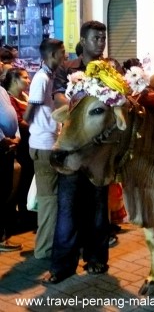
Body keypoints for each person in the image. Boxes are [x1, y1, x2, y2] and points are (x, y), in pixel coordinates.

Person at [47, 21, 111, 283]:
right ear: (82, 41)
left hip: (100, 151)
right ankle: (62, 266)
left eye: (103, 38)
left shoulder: (111, 69)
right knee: (67, 208)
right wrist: (81, 100)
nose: (101, 42)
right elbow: (58, 97)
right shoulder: (68, 68)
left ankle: (96, 258)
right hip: (73, 147)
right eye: (96, 37)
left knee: (98, 207)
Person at [24, 39, 66, 260]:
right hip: (43, 146)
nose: (65, 56)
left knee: (52, 199)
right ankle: (44, 251)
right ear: (52, 54)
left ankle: (48, 247)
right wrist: (38, 125)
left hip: (48, 143)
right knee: (49, 200)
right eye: (62, 52)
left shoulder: (49, 76)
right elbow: (30, 110)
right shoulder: (40, 79)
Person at [3, 68, 35, 227]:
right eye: (25, 77)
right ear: (14, 80)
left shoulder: (25, 97)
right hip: (19, 147)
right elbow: (18, 121)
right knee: (19, 182)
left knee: (29, 179)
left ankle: (28, 212)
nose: (28, 80)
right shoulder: (8, 98)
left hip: (30, 143)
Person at [0, 65, 21, 252]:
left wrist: (16, 136)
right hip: (2, 145)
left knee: (6, 190)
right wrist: (2, 138)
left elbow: (11, 116)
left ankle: (3, 236)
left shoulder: (2, 91)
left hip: (8, 146)